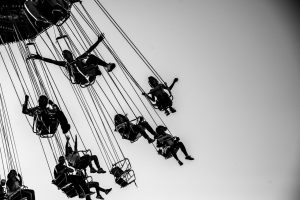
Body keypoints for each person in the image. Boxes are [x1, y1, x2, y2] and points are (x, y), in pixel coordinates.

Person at [27, 34, 115, 85]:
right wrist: (41, 58)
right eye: (64, 55)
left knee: (90, 56)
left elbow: (90, 49)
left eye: (66, 53)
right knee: (78, 62)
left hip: (87, 72)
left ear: (70, 54)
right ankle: (90, 73)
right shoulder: (66, 63)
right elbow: (53, 61)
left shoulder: (78, 59)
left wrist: (98, 41)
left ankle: (106, 65)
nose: (65, 55)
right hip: (80, 77)